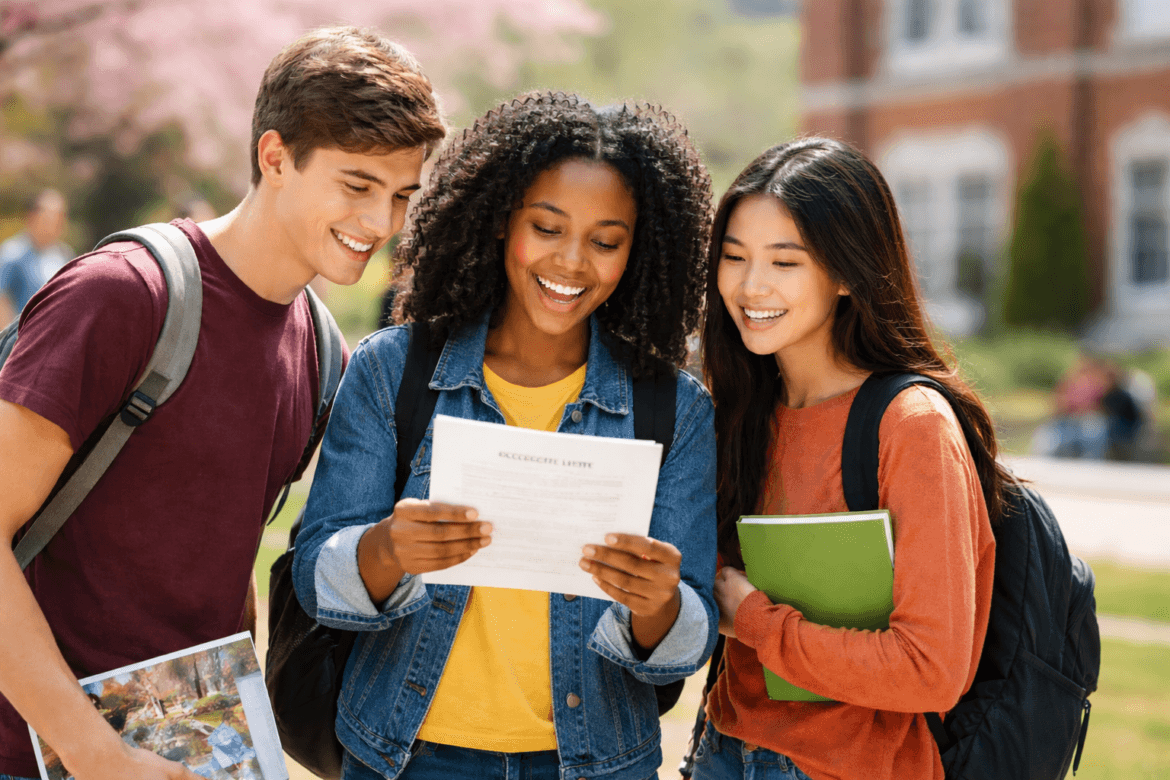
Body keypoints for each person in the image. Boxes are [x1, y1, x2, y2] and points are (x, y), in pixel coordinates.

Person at [0, 26, 444, 780]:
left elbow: (212, 557)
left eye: (402, 195)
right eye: (357, 185)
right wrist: (96, 753)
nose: (382, 225)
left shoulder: (321, 349)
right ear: (275, 157)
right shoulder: (123, 295)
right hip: (36, 754)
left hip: (193, 750)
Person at [291, 91, 718, 780]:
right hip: (406, 757)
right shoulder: (396, 369)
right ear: (499, 222)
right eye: (547, 228)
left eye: (605, 242)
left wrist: (659, 605)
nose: (572, 262)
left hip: (593, 764)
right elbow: (317, 579)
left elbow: (686, 643)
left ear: (636, 252)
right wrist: (387, 548)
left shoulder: (674, 409)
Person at [696, 138, 1007, 780]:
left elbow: (930, 670)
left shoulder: (912, 426)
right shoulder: (737, 410)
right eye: (734, 257)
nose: (751, 286)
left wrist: (753, 619)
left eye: (785, 262)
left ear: (845, 272)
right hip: (724, 751)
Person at [0, 190, 73, 328]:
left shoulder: (64, 254)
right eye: (51, 217)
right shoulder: (12, 254)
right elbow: (2, 302)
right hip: (21, 343)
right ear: (31, 216)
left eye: (61, 217)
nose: (57, 223)